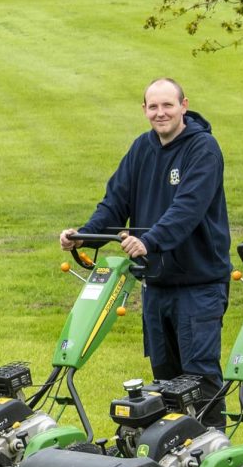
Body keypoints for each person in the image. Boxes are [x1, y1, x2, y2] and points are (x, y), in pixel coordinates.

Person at [59, 77, 231, 412]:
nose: (160, 113)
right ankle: (172, 452)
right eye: (153, 106)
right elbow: (116, 201)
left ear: (184, 105)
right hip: (156, 285)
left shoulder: (203, 149)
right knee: (164, 380)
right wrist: (85, 233)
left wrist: (149, 242)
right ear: (144, 110)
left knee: (199, 376)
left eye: (168, 105)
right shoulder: (142, 148)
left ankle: (213, 447)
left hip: (199, 285)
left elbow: (187, 209)